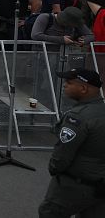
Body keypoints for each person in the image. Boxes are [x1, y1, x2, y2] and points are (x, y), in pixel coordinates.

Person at [38, 68, 105, 217]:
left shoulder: (77, 117)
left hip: (75, 184)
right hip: (100, 185)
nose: (64, 85)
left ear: (83, 88)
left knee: (50, 213)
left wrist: (54, 169)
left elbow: (63, 154)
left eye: (69, 82)